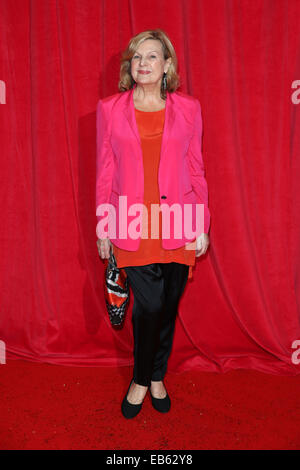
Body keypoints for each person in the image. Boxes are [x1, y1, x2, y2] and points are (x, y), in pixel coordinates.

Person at [96, 29, 210, 419]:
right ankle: (142, 379)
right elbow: (104, 172)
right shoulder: (110, 109)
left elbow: (196, 169)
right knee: (149, 305)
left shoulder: (190, 109)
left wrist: (202, 223)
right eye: (137, 57)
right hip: (132, 223)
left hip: (179, 221)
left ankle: (157, 374)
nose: (142, 64)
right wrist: (103, 226)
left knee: (168, 305)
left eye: (152, 57)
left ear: (167, 66)